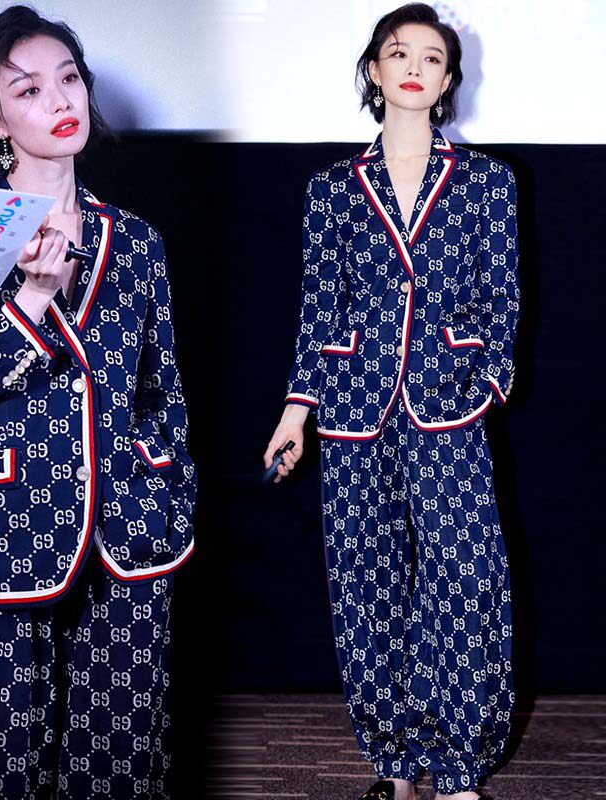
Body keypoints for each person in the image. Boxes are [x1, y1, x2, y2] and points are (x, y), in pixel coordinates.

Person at [0, 6, 196, 798]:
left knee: (120, 764)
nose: (60, 99)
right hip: (1, 528)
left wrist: (169, 496)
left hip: (128, 529)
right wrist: (34, 297)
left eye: (68, 78)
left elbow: (163, 391)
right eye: (29, 89)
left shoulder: (136, 240)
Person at [264, 4, 518, 800]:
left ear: (448, 80)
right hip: (351, 407)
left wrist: (485, 381)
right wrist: (296, 412)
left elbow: (502, 299)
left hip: (448, 404)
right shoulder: (332, 190)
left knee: (466, 579)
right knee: (365, 585)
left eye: (432, 57)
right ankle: (396, 765)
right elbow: (318, 309)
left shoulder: (488, 183)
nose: (413, 66)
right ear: (374, 71)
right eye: (398, 53)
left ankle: (460, 766)